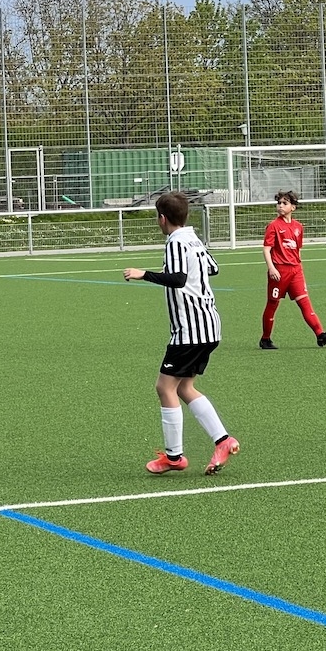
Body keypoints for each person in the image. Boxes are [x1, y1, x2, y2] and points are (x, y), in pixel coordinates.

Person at [124, 190, 239, 476]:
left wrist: (143, 274)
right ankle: (223, 441)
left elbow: (177, 279)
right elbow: (213, 268)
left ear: (162, 219)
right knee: (184, 388)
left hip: (190, 330)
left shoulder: (176, 241)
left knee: (165, 387)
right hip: (209, 325)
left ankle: (174, 457)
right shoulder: (193, 238)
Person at [258, 190, 326, 350]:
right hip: (279, 271)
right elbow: (266, 249)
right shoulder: (273, 226)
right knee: (272, 304)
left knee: (304, 302)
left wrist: (299, 266)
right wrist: (272, 268)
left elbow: (297, 249)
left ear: (293, 207)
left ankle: (320, 335)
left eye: (285, 203)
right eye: (279, 203)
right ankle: (265, 339)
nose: (280, 206)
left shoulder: (298, 227)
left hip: (295, 271)